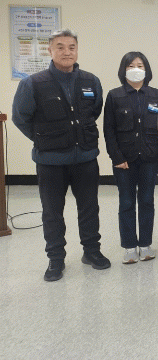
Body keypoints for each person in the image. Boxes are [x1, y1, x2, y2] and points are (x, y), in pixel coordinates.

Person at [12, 29, 110, 281]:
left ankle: (91, 251)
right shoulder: (32, 83)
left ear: (77, 49)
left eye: (71, 47)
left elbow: (94, 111)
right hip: (50, 162)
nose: (67, 52)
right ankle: (55, 259)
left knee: (89, 208)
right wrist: (43, 138)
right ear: (50, 50)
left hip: (85, 158)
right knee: (52, 212)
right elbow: (20, 118)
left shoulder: (91, 81)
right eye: (60, 47)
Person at [103, 52, 158, 264]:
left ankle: (145, 245)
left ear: (146, 70)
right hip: (124, 159)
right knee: (126, 202)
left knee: (147, 200)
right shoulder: (115, 95)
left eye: (140, 65)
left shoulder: (156, 94)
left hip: (150, 157)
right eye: (131, 65)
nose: (136, 69)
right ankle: (129, 246)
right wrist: (116, 157)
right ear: (124, 69)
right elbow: (108, 129)